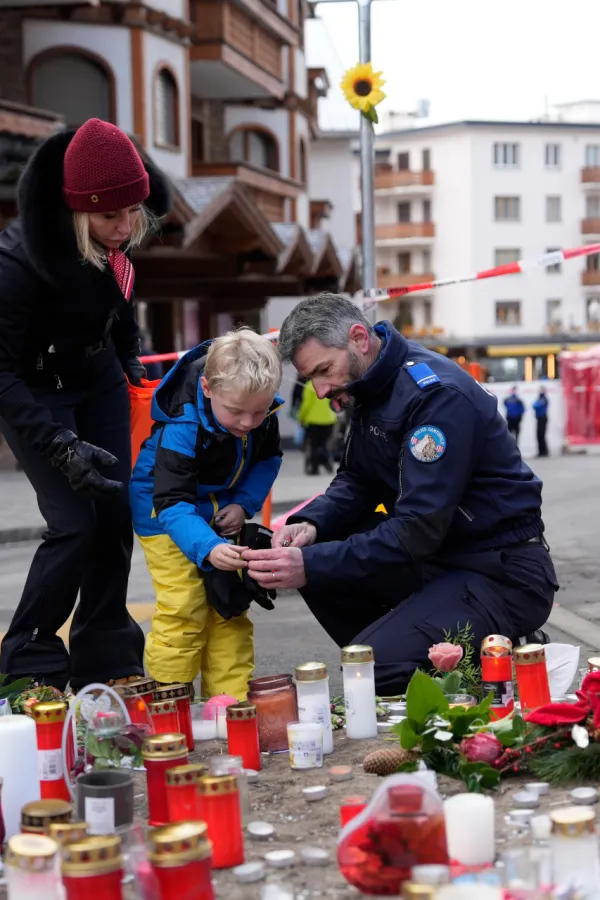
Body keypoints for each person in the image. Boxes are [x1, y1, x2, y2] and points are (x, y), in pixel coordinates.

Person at [243, 294, 558, 694]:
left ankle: (500, 661)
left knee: (372, 668)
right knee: (322, 552)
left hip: (500, 572)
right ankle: (404, 645)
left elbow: (417, 529)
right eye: (312, 379)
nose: (321, 391)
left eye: (324, 370)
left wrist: (310, 562)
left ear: (358, 338)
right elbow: (356, 480)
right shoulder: (370, 386)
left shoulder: (435, 396)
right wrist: (309, 524)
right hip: (442, 559)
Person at [0, 118, 170, 692]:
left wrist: (130, 360)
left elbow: (118, 308)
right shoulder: (18, 265)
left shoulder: (116, 245)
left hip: (94, 378)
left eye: (132, 213)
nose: (124, 228)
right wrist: (58, 443)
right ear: (76, 211)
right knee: (73, 523)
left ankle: (106, 657)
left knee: (114, 515)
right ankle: (29, 664)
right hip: (33, 390)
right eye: (108, 216)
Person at [129, 329, 283, 698]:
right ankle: (171, 697)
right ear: (208, 387)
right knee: (186, 604)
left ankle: (229, 701)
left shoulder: (260, 411)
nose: (247, 422)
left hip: (218, 508)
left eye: (258, 412)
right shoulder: (182, 426)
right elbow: (170, 501)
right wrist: (208, 547)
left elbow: (268, 458)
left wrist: (242, 504)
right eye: (236, 412)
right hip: (164, 515)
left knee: (229, 603)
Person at [297, 378, 337, 475]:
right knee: (324, 443)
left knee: (314, 444)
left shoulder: (310, 385)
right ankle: (326, 461)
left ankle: (314, 468)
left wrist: (301, 417)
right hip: (329, 419)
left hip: (313, 420)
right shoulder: (330, 384)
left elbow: (306, 404)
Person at [533, 389, 549, 457]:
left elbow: (536, 406)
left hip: (542, 418)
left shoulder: (544, 399)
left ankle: (544, 451)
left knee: (542, 435)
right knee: (539, 435)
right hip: (539, 418)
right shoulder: (540, 399)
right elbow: (534, 405)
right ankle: (541, 451)